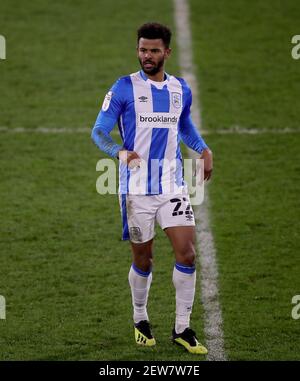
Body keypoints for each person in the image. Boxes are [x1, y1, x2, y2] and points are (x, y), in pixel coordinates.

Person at [91, 22, 213, 355]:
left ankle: (182, 328)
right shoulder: (123, 88)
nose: (147, 55)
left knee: (187, 253)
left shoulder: (180, 89)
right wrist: (119, 151)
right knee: (144, 260)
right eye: (143, 49)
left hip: (172, 185)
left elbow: (183, 123)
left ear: (167, 53)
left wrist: (203, 149)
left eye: (154, 50)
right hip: (136, 190)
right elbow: (98, 131)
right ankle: (140, 317)